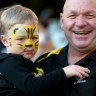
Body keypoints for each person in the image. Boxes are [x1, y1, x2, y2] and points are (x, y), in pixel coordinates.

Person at [0, 4, 90, 96]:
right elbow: (31, 86)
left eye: (34, 37)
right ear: (5, 41)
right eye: (21, 38)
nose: (29, 43)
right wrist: (64, 72)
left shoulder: (26, 62)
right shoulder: (8, 62)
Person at [35, 0, 96, 96]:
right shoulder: (43, 63)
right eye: (73, 16)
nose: (80, 23)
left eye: (89, 15)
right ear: (62, 21)